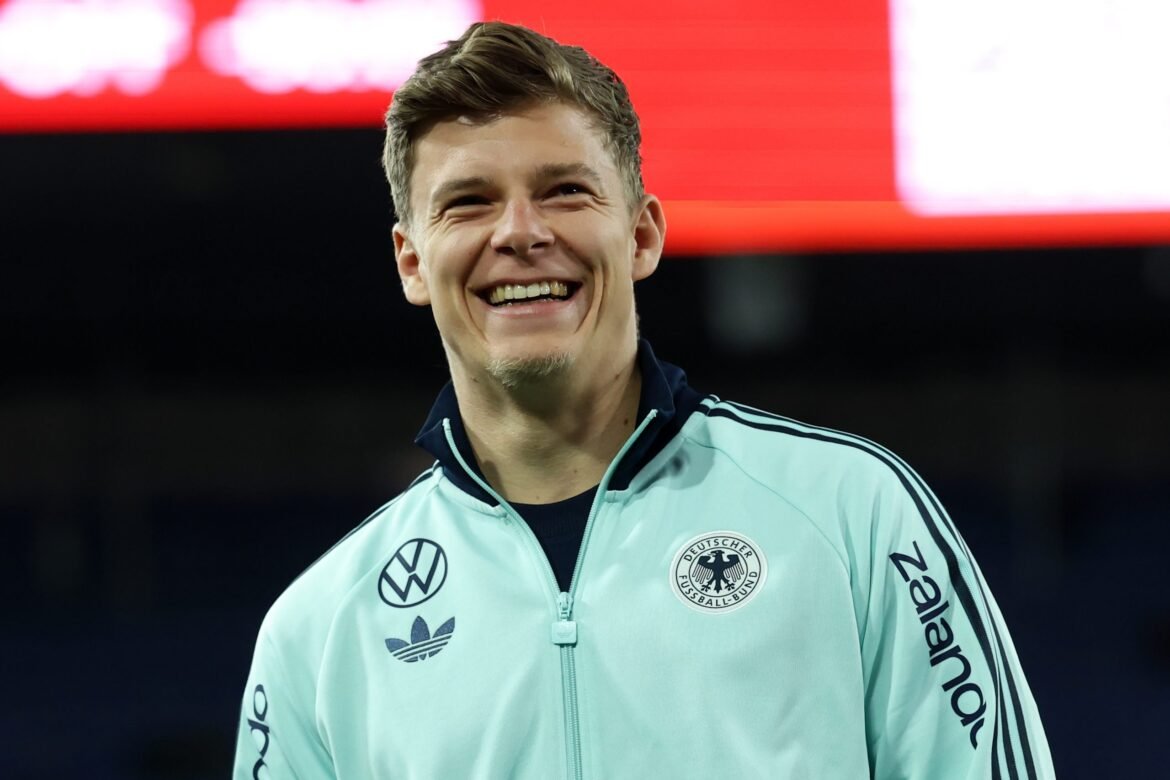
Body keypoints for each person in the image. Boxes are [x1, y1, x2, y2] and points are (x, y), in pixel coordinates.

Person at [234, 21, 1054, 779]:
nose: (519, 232)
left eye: (564, 191)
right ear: (413, 262)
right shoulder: (319, 628)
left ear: (641, 235)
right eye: (469, 202)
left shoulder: (852, 514)